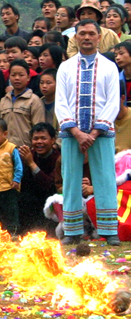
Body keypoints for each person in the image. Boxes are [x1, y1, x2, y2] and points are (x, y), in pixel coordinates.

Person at [56, 19, 121, 246]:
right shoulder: (65, 67)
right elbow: (60, 102)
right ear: (75, 37)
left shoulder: (109, 66)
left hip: (101, 132)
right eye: (82, 33)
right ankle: (72, 231)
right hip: (71, 132)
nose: (86, 37)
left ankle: (109, 230)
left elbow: (113, 102)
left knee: (105, 179)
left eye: (91, 33)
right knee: (71, 178)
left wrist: (93, 132)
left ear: (99, 37)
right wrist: (75, 130)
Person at [18, 122, 61, 235]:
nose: (39, 142)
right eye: (35, 139)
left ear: (53, 140)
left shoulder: (58, 158)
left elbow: (49, 185)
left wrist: (31, 164)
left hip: (50, 204)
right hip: (30, 205)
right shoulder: (28, 154)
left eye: (43, 138)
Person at [0, 59, 45, 147]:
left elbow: (39, 128)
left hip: (26, 149)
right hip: (6, 150)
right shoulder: (3, 101)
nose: (17, 78)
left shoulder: (34, 100)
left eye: (21, 75)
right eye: (13, 75)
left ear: (28, 77)